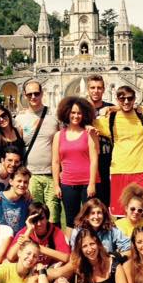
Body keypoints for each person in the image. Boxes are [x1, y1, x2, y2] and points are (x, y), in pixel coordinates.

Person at [94, 85, 143, 217]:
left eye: (130, 98)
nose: (126, 102)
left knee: (140, 212)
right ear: (117, 99)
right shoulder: (111, 119)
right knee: (120, 214)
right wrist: (110, 109)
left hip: (140, 169)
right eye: (122, 99)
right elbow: (85, 120)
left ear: (135, 99)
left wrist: (118, 107)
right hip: (118, 169)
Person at [15, 80, 62, 225]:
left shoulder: (53, 116)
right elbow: (17, 146)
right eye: (30, 94)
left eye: (36, 93)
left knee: (53, 216)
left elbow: (62, 144)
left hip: (51, 175)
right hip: (31, 175)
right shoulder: (20, 119)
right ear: (25, 95)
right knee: (34, 216)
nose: (33, 97)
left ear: (42, 93)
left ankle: (53, 246)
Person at [52, 96, 99, 227]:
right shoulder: (59, 135)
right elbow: (55, 162)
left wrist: (92, 183)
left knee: (91, 219)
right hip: (68, 183)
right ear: (67, 113)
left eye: (79, 113)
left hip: (87, 183)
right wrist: (56, 185)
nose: (76, 116)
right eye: (73, 112)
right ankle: (72, 246)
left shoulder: (88, 133)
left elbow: (94, 159)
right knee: (71, 220)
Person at [86, 74, 114, 205]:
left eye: (99, 88)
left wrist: (113, 108)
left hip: (106, 158)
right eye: (92, 87)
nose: (95, 91)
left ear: (103, 89)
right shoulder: (81, 109)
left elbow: (130, 108)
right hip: (86, 160)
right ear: (87, 89)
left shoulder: (111, 108)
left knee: (105, 200)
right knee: (88, 202)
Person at [0, 166, 32, 232]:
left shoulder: (27, 201)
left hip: (18, 240)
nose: (22, 184)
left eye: (25, 182)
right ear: (11, 181)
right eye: (19, 181)